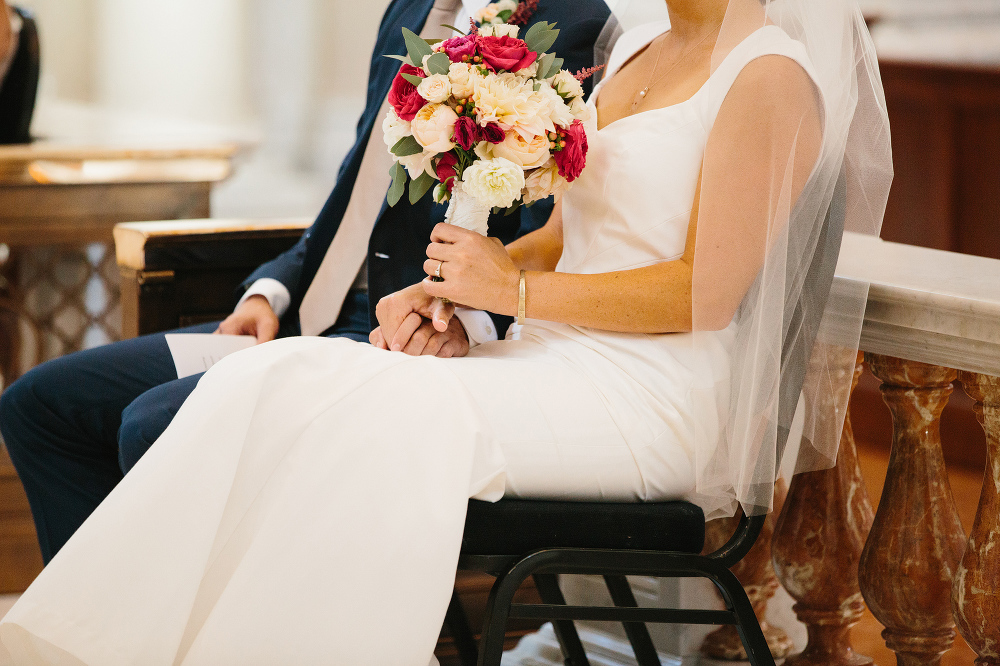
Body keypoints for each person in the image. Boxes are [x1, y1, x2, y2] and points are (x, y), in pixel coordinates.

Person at [0, 0, 892, 663]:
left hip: (655, 395)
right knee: (270, 383)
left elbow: (707, 293)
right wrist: (454, 300)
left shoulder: (772, 76)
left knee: (364, 416)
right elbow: (556, 236)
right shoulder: (638, 50)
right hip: (551, 361)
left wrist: (515, 296)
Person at [0, 0, 611, 565]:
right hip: (303, 318)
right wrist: (271, 289)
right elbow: (359, 184)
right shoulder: (415, 7)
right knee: (41, 406)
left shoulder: (575, 20)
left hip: (404, 336)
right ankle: (108, 638)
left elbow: (554, 233)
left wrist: (467, 322)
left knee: (156, 423)